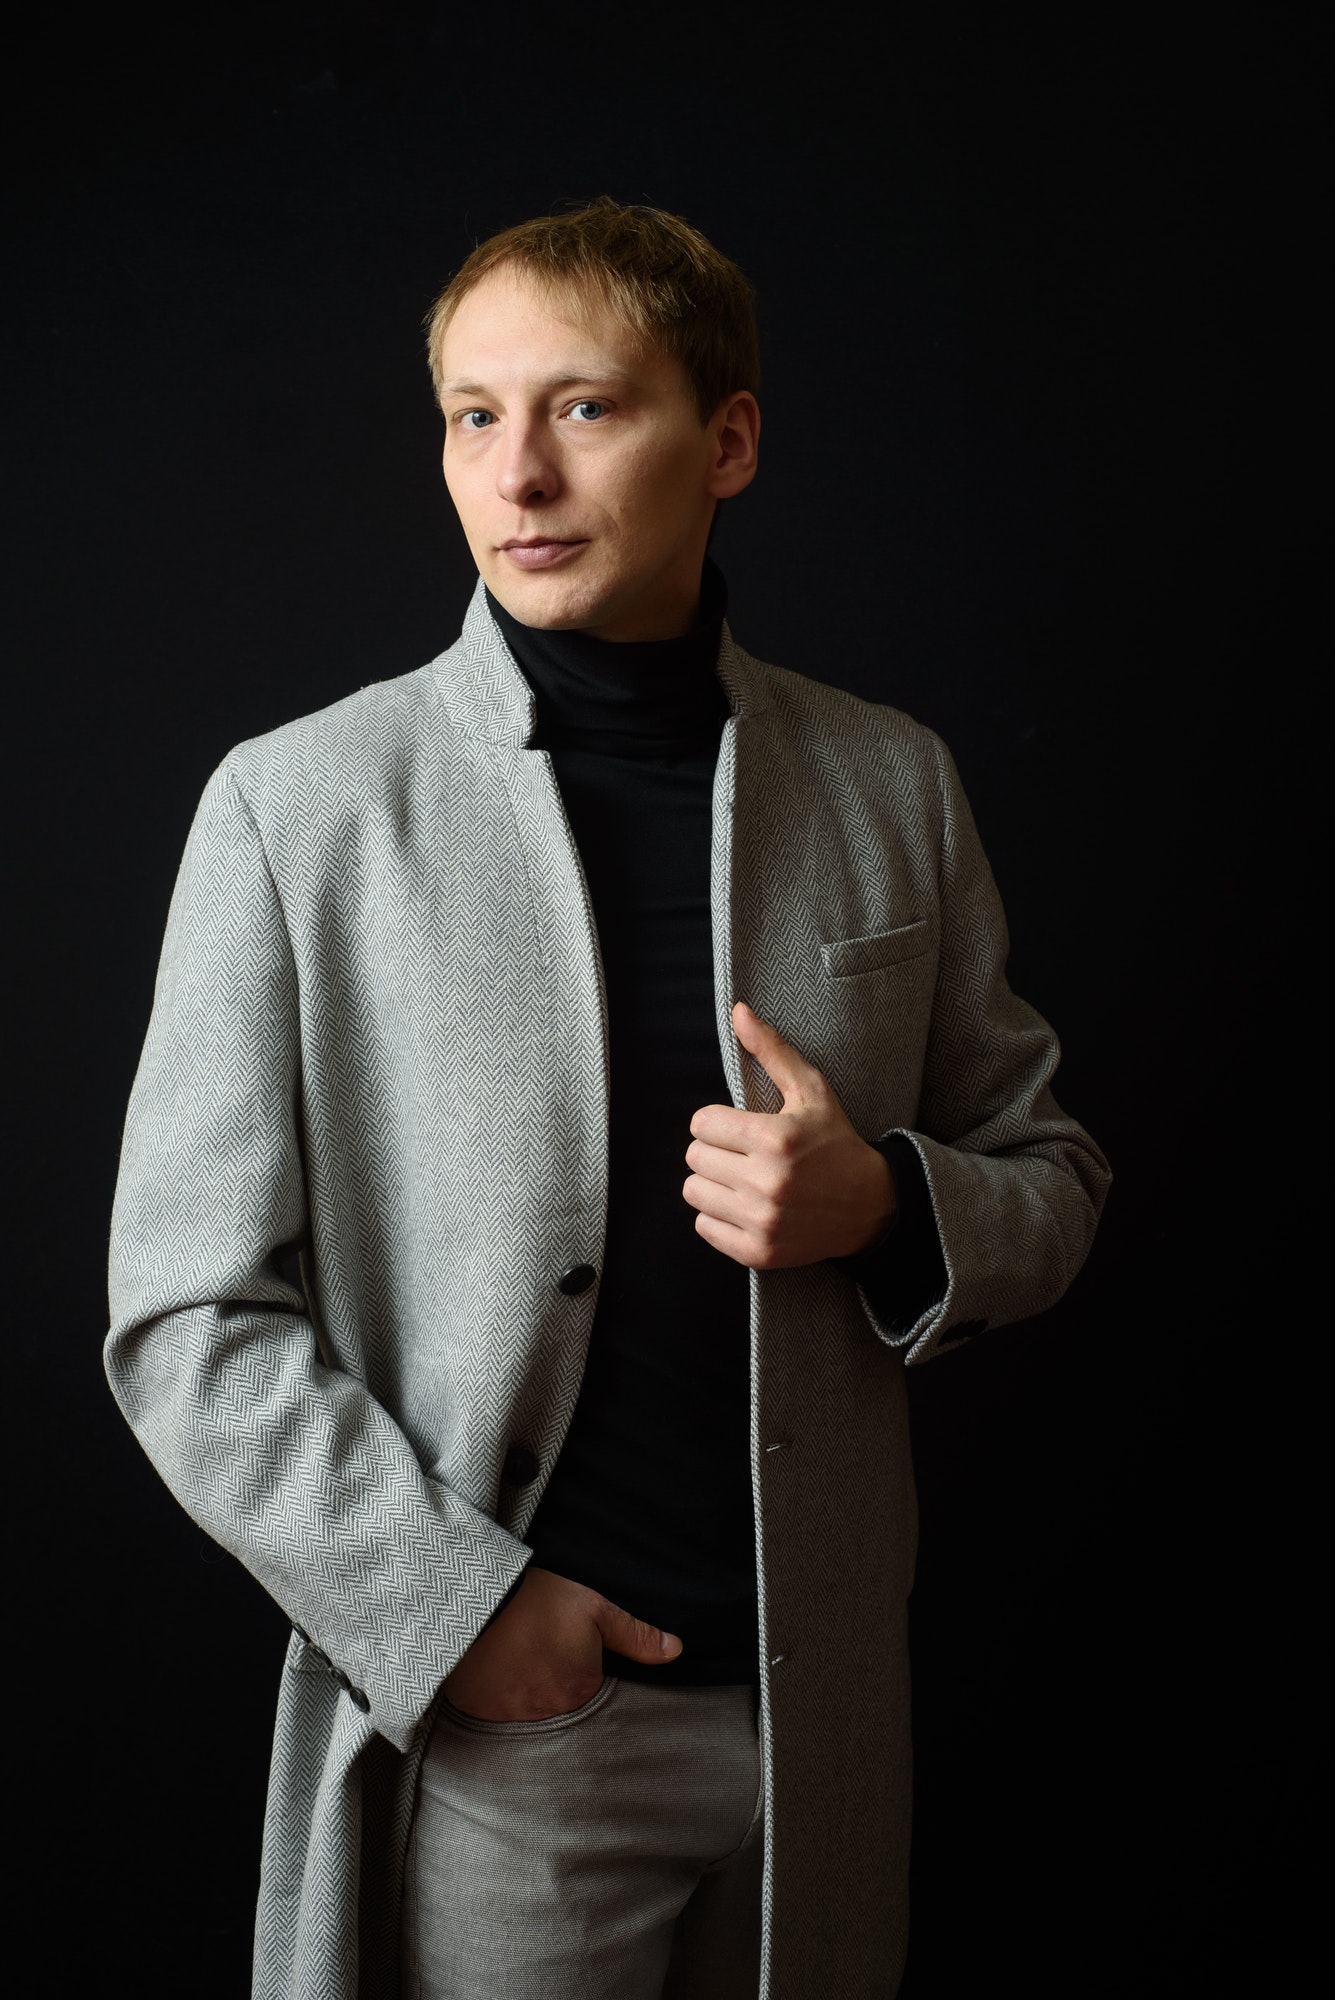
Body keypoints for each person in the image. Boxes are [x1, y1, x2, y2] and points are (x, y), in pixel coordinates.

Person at [105, 197, 1110, 2000]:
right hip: (512, 1741)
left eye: (583, 407)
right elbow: (186, 1315)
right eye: (474, 417)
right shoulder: (298, 806)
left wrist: (888, 1205)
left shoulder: (890, 780)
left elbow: (1053, 1174)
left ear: (727, 441)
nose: (520, 475)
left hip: (825, 1726)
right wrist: (462, 1614)